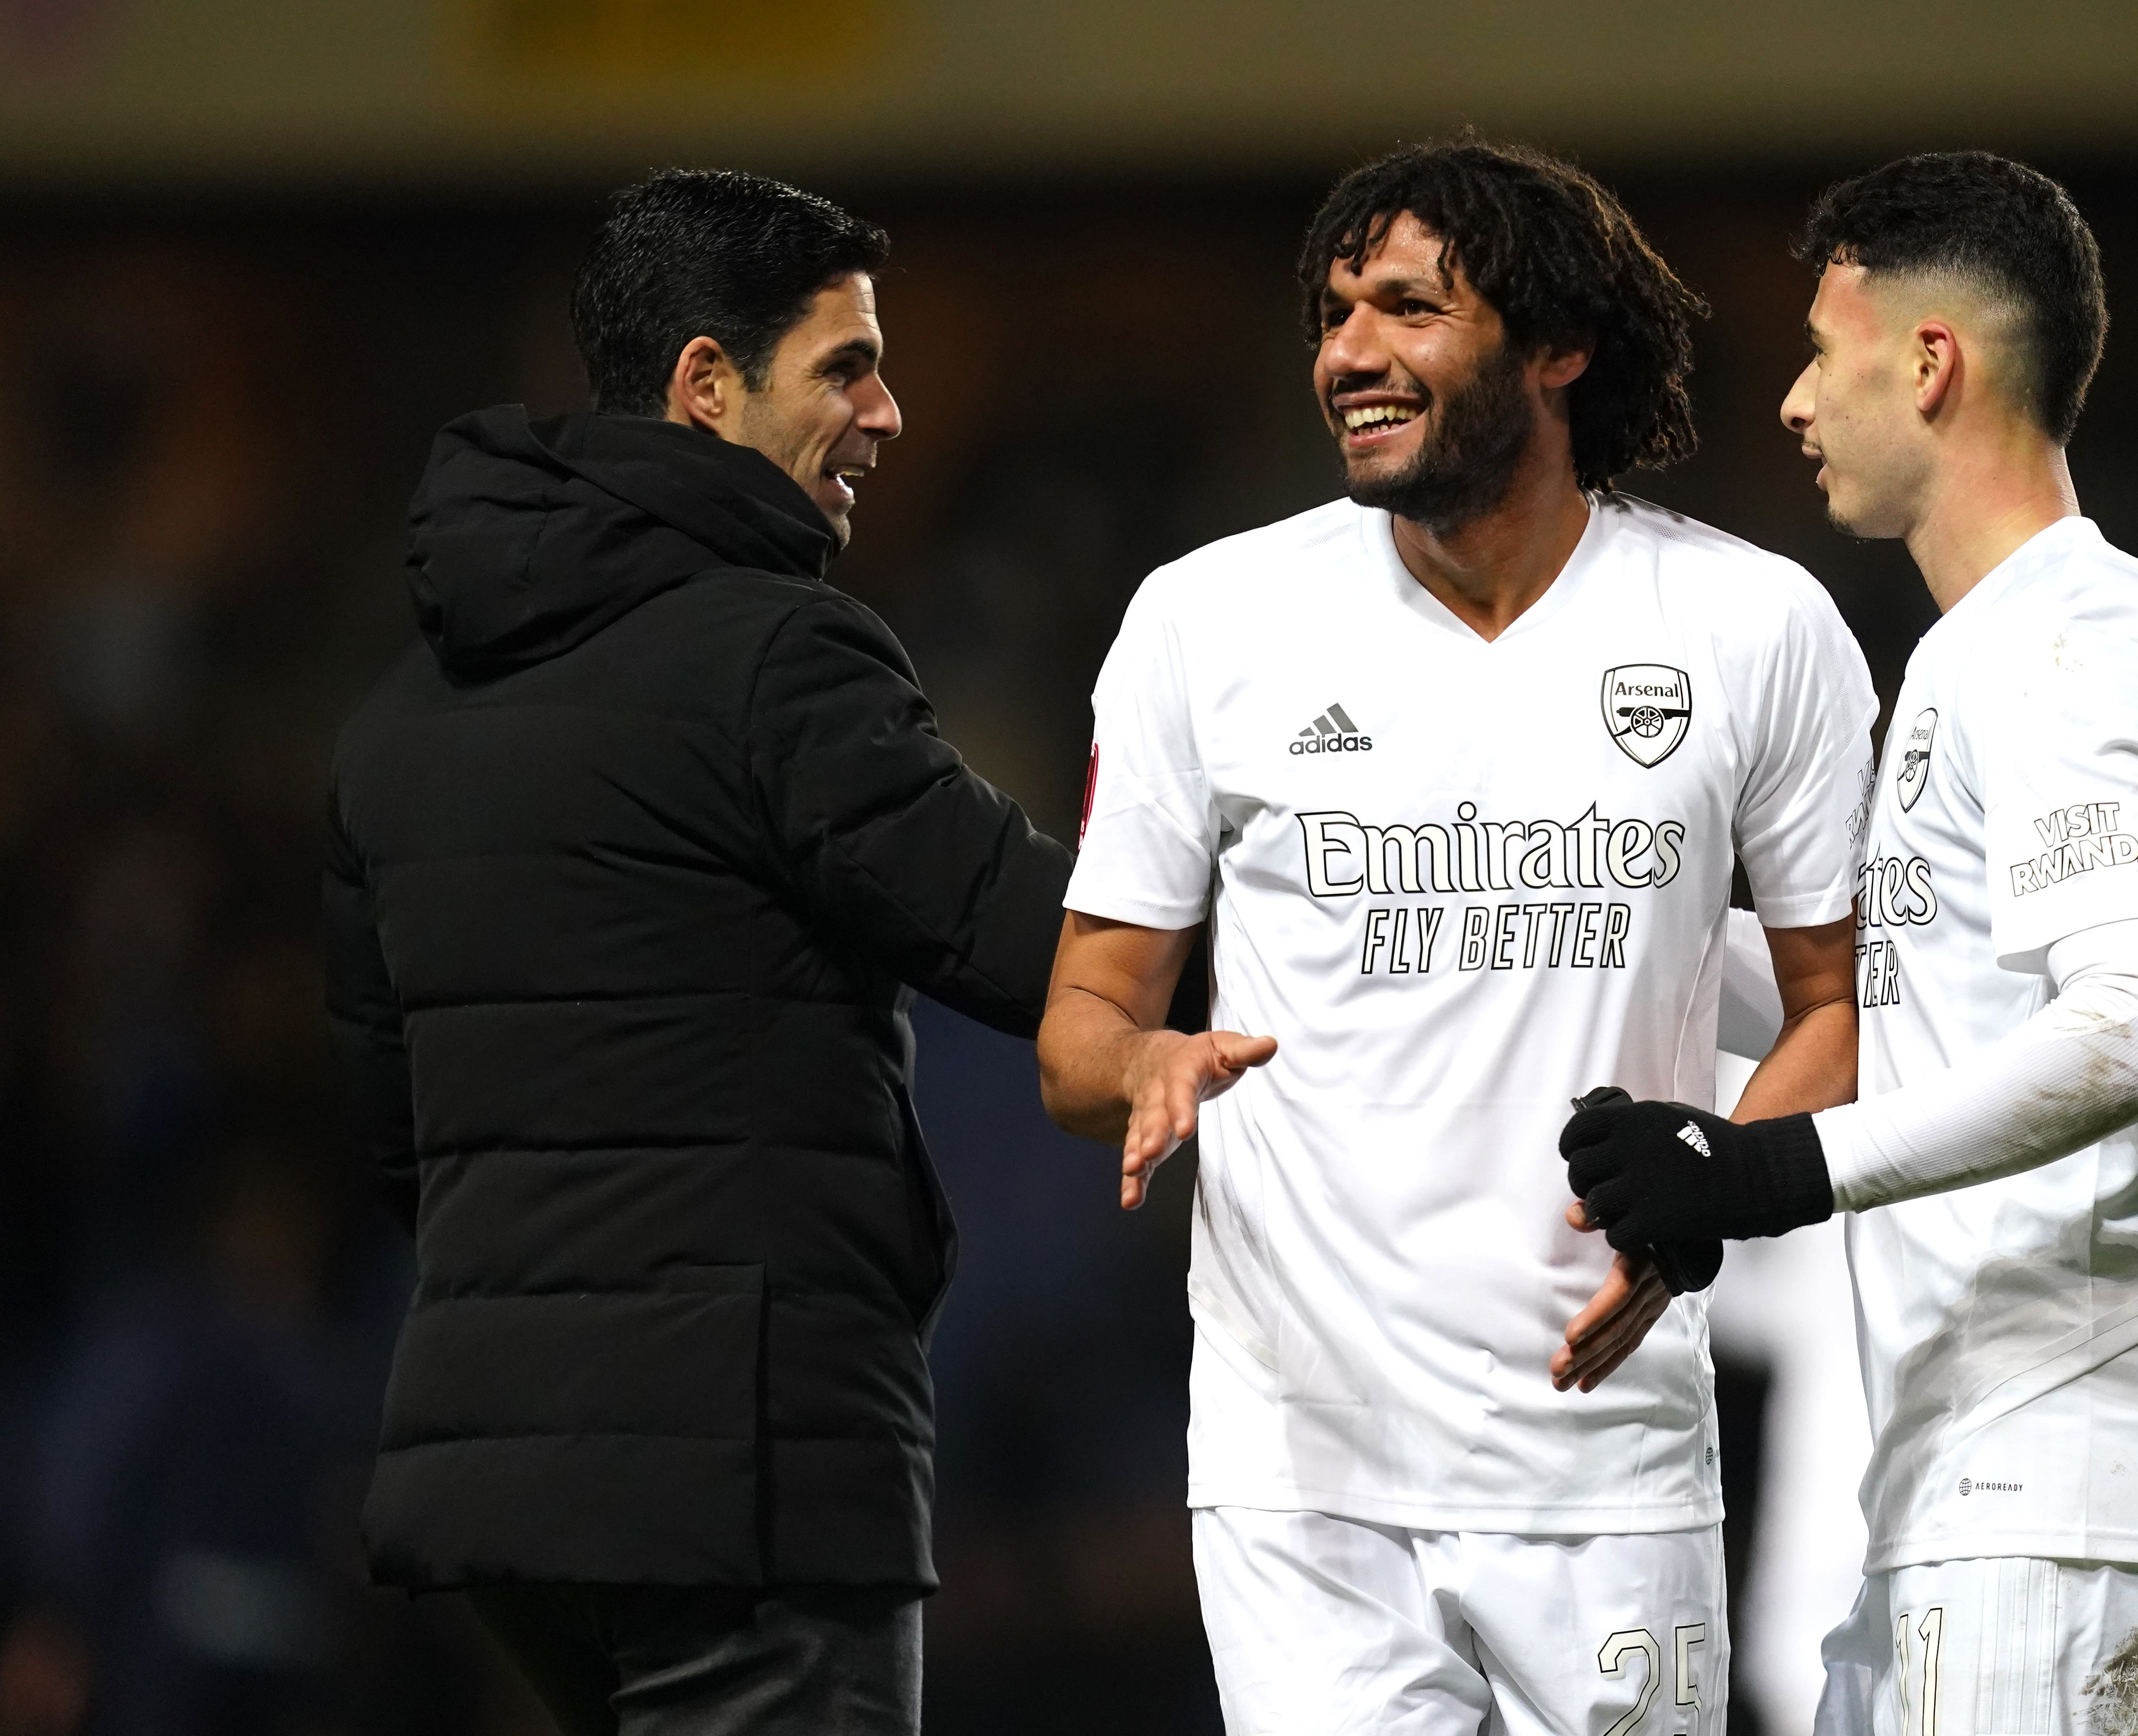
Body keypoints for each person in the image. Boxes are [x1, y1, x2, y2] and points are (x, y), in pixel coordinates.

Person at [1035, 137, 1878, 1736]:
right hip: (1305, 1479)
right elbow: (1081, 1028)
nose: (1349, 354)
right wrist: (1134, 1055)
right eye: (1335, 314)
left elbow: (1840, 1010)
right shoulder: (1204, 624)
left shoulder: (1752, 627)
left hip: (1609, 1454)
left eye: (1410, 309)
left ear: (1555, 346)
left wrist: (1712, 1191)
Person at [322, 170, 1072, 1736]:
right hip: (745, 1480)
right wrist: (1345, 921)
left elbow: (394, 1133)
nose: (890, 414)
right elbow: (1030, 944)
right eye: (845, 366)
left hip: (501, 1486)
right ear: (706, 387)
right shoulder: (777, 653)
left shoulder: (398, 718)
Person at [1559, 152, 2138, 1734]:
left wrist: (1761, 1173)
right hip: (1977, 1470)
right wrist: (1581, 919)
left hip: (2068, 1471)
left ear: (1930, 362)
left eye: (1823, 352)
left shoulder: (2076, 646)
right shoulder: (1993, 648)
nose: (1798, 403)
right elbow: (1911, 996)